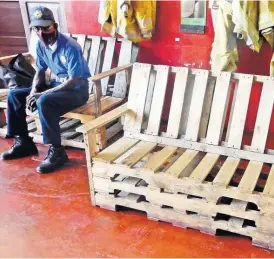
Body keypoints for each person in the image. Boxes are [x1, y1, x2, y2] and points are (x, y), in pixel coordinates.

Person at [1, 6, 91, 173]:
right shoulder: (41, 46)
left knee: (44, 100)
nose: (42, 33)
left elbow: (73, 81)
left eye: (46, 28)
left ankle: (57, 152)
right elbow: (40, 72)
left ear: (55, 26)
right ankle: (23, 142)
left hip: (77, 91)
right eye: (37, 28)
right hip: (56, 87)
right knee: (15, 95)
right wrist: (34, 90)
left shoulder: (70, 46)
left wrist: (41, 94)